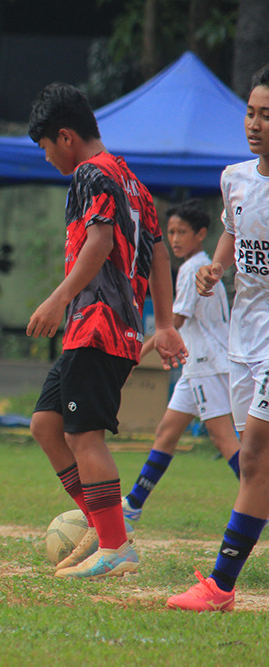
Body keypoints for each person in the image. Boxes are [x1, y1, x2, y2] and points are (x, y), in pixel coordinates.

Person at [25, 82, 187, 580]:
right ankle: (103, 525)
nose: (48, 158)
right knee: (47, 426)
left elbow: (97, 244)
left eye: (47, 147)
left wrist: (57, 298)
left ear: (66, 137)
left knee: (85, 436)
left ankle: (117, 548)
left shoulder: (89, 174)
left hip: (96, 326)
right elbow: (158, 254)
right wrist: (161, 325)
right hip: (105, 330)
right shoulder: (132, 180)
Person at [167, 64, 269, 612]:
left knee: (252, 455)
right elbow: (234, 229)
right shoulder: (235, 177)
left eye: (267, 115)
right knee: (257, 461)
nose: (254, 124)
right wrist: (214, 269)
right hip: (245, 339)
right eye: (250, 112)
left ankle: (220, 585)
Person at [123, 200, 240, 524]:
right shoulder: (197, 265)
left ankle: (258, 500)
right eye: (170, 231)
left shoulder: (193, 269)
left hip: (207, 361)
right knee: (166, 432)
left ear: (201, 234)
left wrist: (138, 354)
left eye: (182, 232)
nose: (174, 239)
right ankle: (133, 503)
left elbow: (173, 320)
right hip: (197, 363)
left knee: (223, 437)